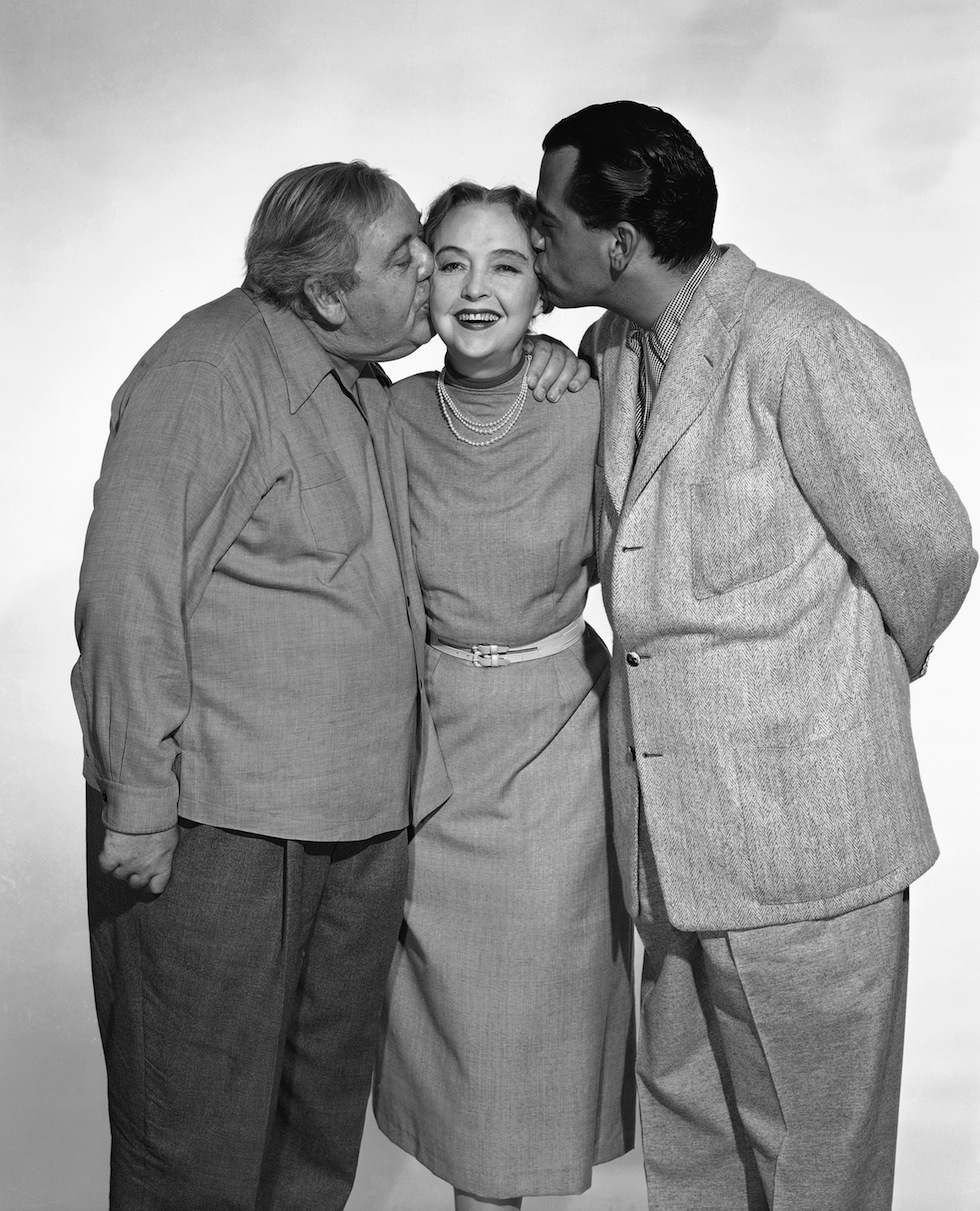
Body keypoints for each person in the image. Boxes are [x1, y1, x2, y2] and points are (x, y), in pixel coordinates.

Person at [72, 159, 587, 1211]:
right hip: (224, 829)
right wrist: (137, 801)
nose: (431, 278)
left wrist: (541, 354)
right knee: (195, 1139)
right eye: (408, 258)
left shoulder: (362, 383)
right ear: (325, 292)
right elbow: (128, 594)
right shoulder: (208, 373)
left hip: (360, 826)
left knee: (310, 1138)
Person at [532, 100, 976, 1211]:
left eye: (548, 221)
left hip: (803, 834)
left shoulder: (799, 341)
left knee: (813, 1162)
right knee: (693, 1145)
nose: (535, 239)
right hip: (668, 839)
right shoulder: (604, 349)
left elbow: (930, 549)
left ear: (619, 242)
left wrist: (828, 694)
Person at [372, 182, 635, 1211]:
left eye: (506, 266)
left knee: (527, 1029)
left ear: (541, 291)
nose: (475, 289)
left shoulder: (587, 402)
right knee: (452, 1032)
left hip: (555, 744)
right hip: (430, 749)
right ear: (421, 281)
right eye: (450, 263)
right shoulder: (388, 415)